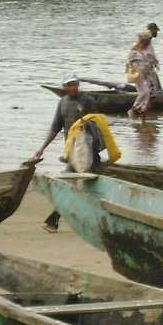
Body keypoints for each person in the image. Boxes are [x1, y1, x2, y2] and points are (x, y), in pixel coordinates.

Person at [34, 73, 97, 232]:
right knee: (78, 185)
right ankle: (58, 220)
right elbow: (55, 127)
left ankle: (53, 220)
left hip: (87, 150)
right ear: (64, 88)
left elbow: (98, 124)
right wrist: (42, 148)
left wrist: (86, 125)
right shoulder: (62, 103)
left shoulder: (88, 101)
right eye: (69, 85)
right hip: (72, 152)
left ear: (78, 85)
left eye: (74, 84)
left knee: (70, 184)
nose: (72, 88)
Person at [126, 29, 159, 122]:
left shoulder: (149, 48)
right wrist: (132, 71)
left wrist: (155, 62)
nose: (149, 41)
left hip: (149, 74)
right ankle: (133, 110)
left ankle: (143, 120)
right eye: (148, 39)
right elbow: (128, 62)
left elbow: (153, 58)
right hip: (138, 74)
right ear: (143, 40)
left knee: (150, 96)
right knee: (144, 92)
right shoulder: (134, 49)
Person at [145, 22, 163, 93]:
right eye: (156, 31)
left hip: (147, 65)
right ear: (152, 30)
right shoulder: (146, 39)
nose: (157, 33)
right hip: (144, 65)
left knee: (153, 77)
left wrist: (154, 60)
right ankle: (158, 92)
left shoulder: (149, 39)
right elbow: (145, 52)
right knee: (153, 77)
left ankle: (158, 91)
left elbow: (149, 51)